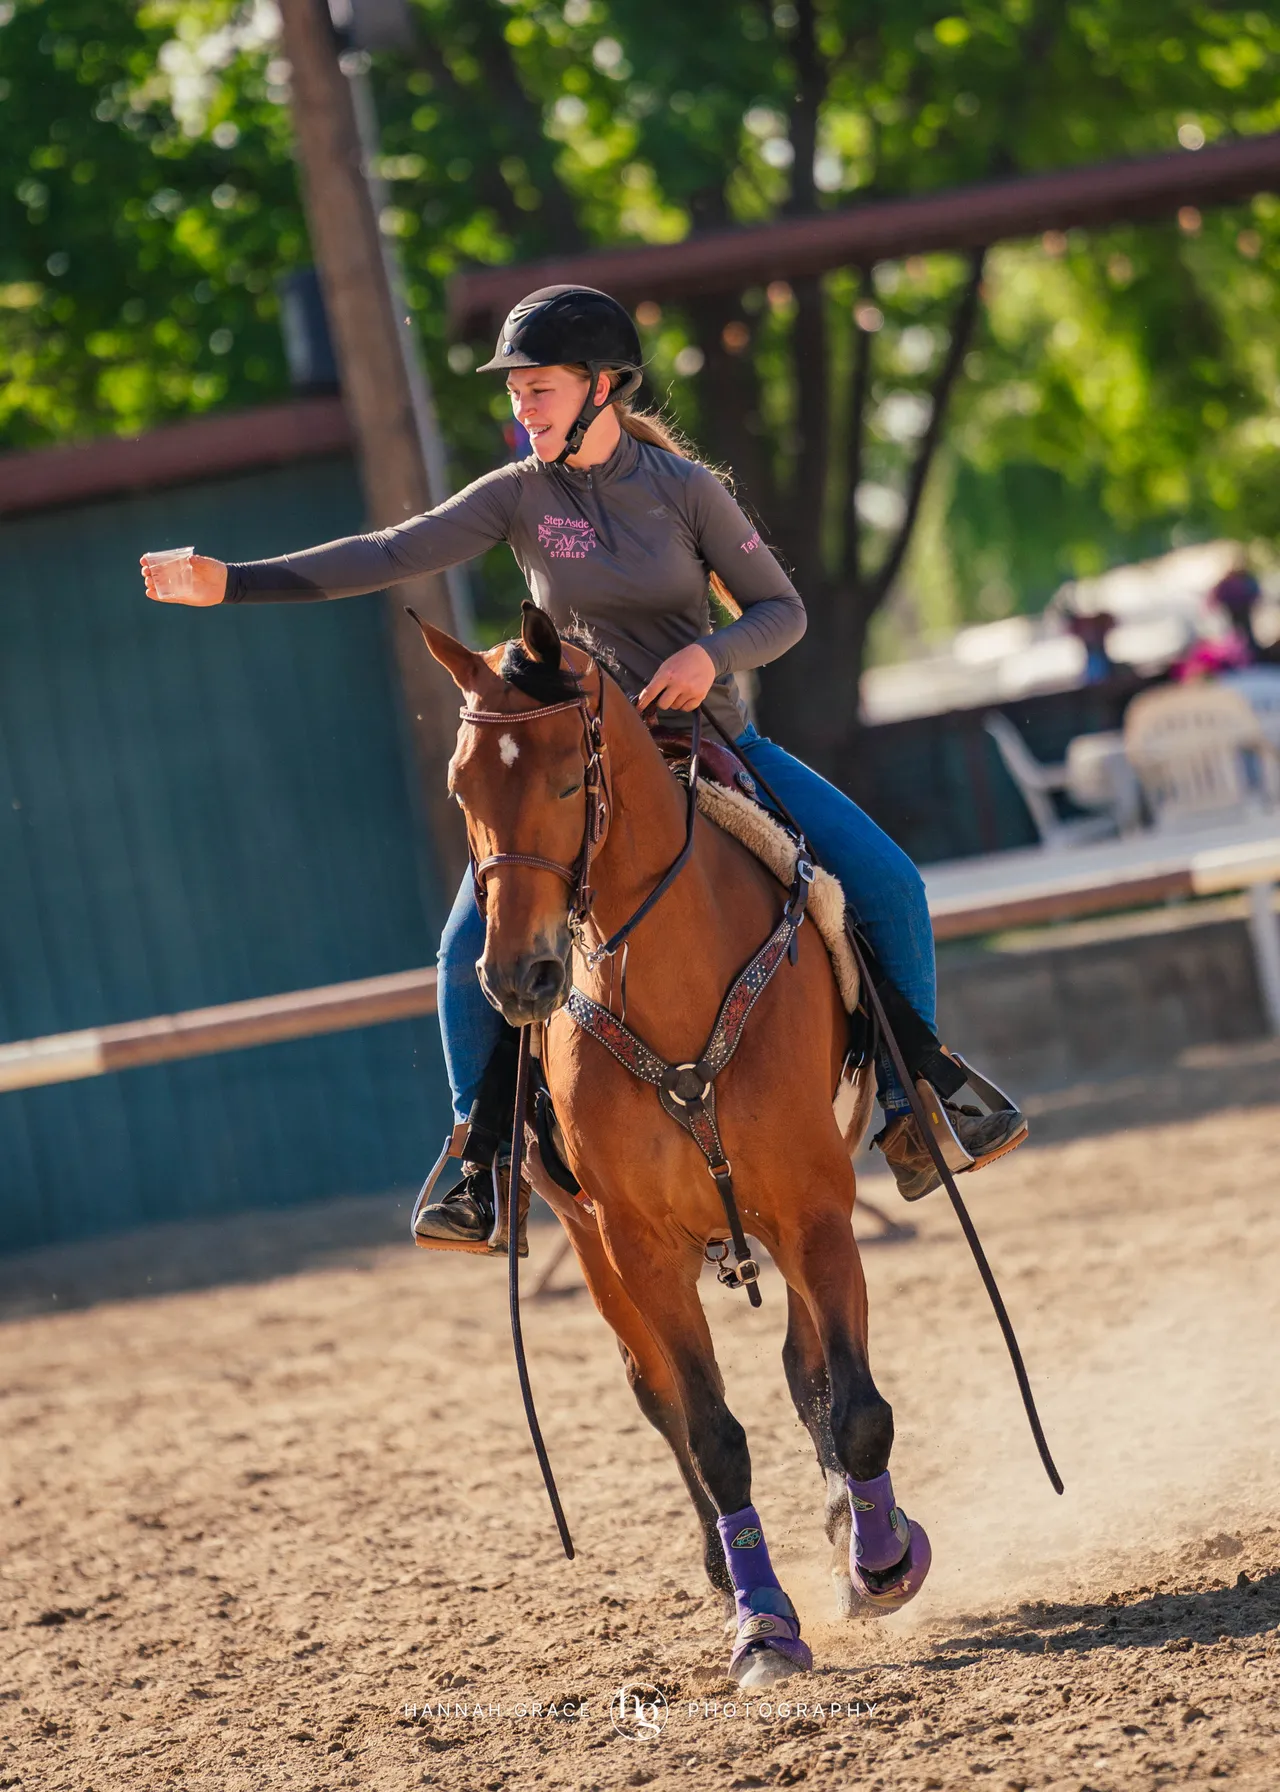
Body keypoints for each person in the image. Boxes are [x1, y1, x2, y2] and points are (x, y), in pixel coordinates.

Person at [141, 284, 1026, 1229]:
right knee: (464, 951)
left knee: (889, 885)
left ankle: (913, 1102)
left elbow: (784, 611)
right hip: (579, 762)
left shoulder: (687, 490)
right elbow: (390, 552)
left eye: (538, 388)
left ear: (602, 386)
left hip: (713, 742)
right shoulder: (517, 493)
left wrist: (710, 655)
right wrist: (233, 583)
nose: (521, 405)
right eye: (514, 390)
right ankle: (479, 1160)